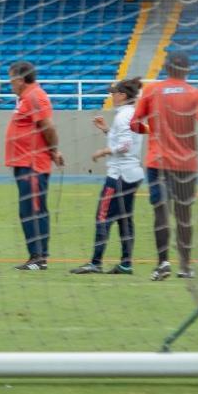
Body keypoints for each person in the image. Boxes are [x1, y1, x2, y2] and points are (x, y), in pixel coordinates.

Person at [131, 52, 198, 281]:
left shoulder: (152, 90)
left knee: (161, 212)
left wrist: (153, 131)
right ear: (187, 70)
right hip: (187, 165)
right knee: (184, 214)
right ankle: (185, 266)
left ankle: (163, 263)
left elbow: (135, 124)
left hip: (158, 162)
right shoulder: (195, 94)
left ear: (166, 68)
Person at [72, 78, 144, 276]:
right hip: (132, 173)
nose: (111, 96)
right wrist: (106, 130)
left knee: (103, 216)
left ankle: (95, 262)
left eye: (114, 93)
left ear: (123, 95)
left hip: (119, 175)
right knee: (124, 219)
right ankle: (126, 264)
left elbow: (125, 145)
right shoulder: (131, 114)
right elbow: (126, 140)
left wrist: (104, 151)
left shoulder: (124, 116)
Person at [4, 61, 63, 271]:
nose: (9, 84)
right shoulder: (25, 98)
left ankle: (39, 258)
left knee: (34, 210)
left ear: (20, 80)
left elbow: (48, 127)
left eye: (11, 79)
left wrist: (54, 151)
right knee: (27, 210)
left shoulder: (35, 96)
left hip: (33, 165)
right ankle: (35, 256)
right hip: (24, 164)